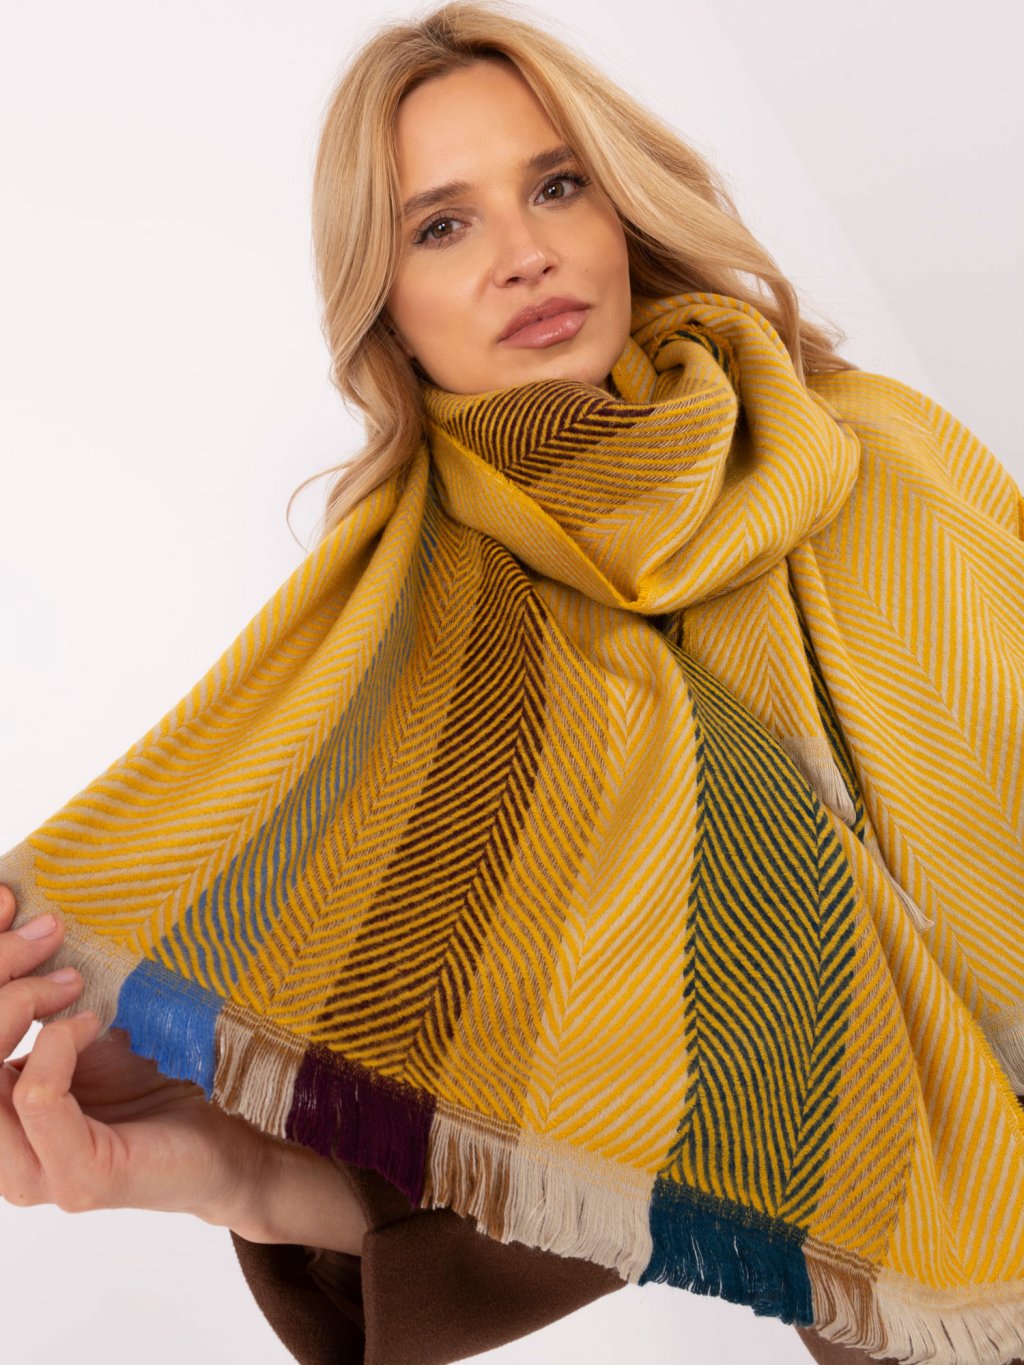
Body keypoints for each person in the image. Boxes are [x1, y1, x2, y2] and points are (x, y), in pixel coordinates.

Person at [2, 4, 1022, 1364]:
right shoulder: (430, 680)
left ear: (624, 207)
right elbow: (622, 1162)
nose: (524, 252)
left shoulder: (884, 453)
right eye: (442, 224)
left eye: (556, 185)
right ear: (387, 305)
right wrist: (218, 1168)